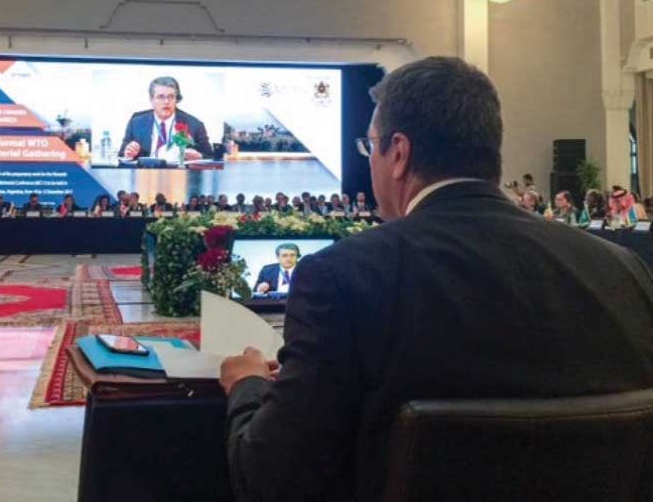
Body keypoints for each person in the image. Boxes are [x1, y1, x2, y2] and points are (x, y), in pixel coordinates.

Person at [218, 56, 653, 502]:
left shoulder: (341, 277)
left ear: (399, 154)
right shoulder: (623, 269)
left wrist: (248, 384)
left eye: (370, 148)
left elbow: (270, 481)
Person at [118, 76, 213, 161]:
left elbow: (209, 156)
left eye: (171, 97)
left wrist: (199, 156)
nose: (166, 102)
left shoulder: (194, 125)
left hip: (179, 175)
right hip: (145, 174)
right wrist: (128, 153)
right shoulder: (136, 123)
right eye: (160, 97)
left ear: (177, 99)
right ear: (151, 99)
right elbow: (122, 154)